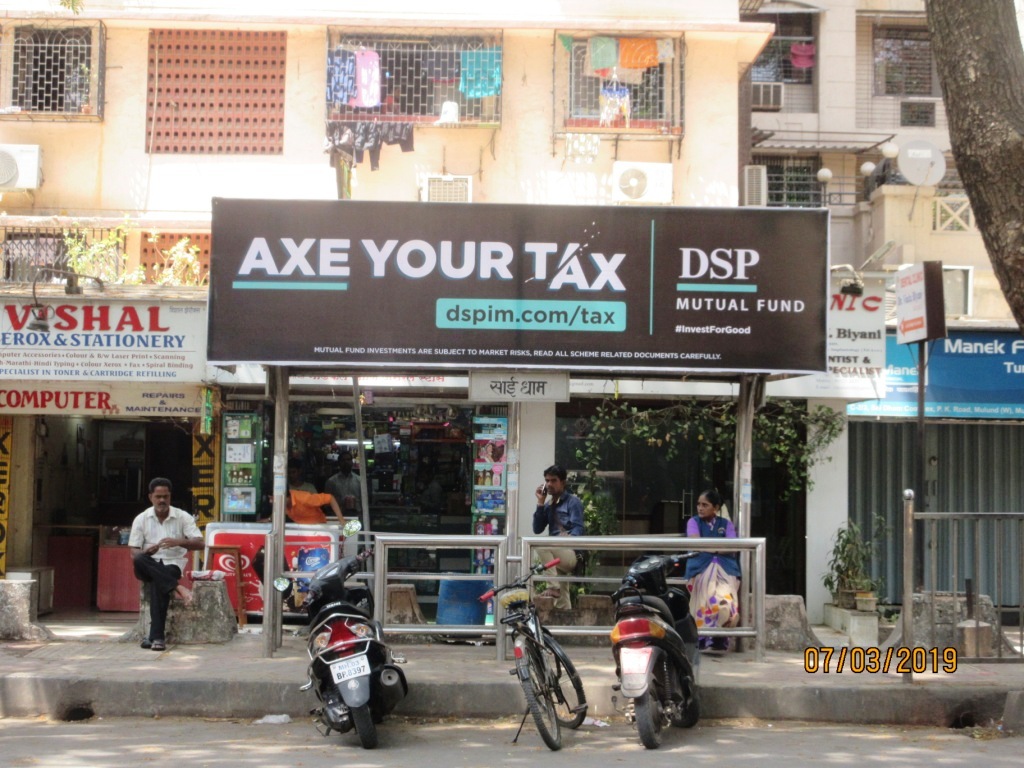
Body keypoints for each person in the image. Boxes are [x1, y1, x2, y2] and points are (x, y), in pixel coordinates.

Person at [128, 477, 204, 651]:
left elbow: (200, 543)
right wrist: (147, 552)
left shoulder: (182, 517)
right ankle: (179, 588)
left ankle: (156, 637)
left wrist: (178, 542)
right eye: (158, 496)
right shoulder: (141, 518)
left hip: (172, 564)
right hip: (147, 564)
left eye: (165, 496)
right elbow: (133, 553)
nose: (162, 500)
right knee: (140, 559)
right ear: (151, 497)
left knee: (158, 583)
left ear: (170, 497)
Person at [684, 488, 741, 651]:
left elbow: (733, 546)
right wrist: (719, 548)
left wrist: (709, 547)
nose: (700, 508)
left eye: (705, 505)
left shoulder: (726, 524)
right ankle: (703, 637)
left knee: (725, 600)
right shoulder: (693, 522)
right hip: (700, 568)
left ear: (715, 508)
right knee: (705, 597)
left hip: (726, 569)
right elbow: (696, 543)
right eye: (698, 504)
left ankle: (719, 637)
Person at [532, 464, 584, 610]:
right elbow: (537, 529)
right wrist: (540, 502)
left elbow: (578, 528)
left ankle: (553, 586)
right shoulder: (548, 505)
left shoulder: (573, 502)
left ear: (563, 482)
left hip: (570, 553)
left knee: (542, 545)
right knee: (563, 600)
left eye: (554, 480)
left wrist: (567, 539)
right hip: (557, 554)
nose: (549, 484)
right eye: (547, 480)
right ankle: (565, 628)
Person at [325, 450, 362, 518]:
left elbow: (363, 501)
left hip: (357, 516)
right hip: (338, 516)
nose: (346, 462)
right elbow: (327, 503)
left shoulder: (359, 480)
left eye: (348, 459)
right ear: (339, 463)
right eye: (343, 460)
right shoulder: (331, 482)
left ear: (352, 462)